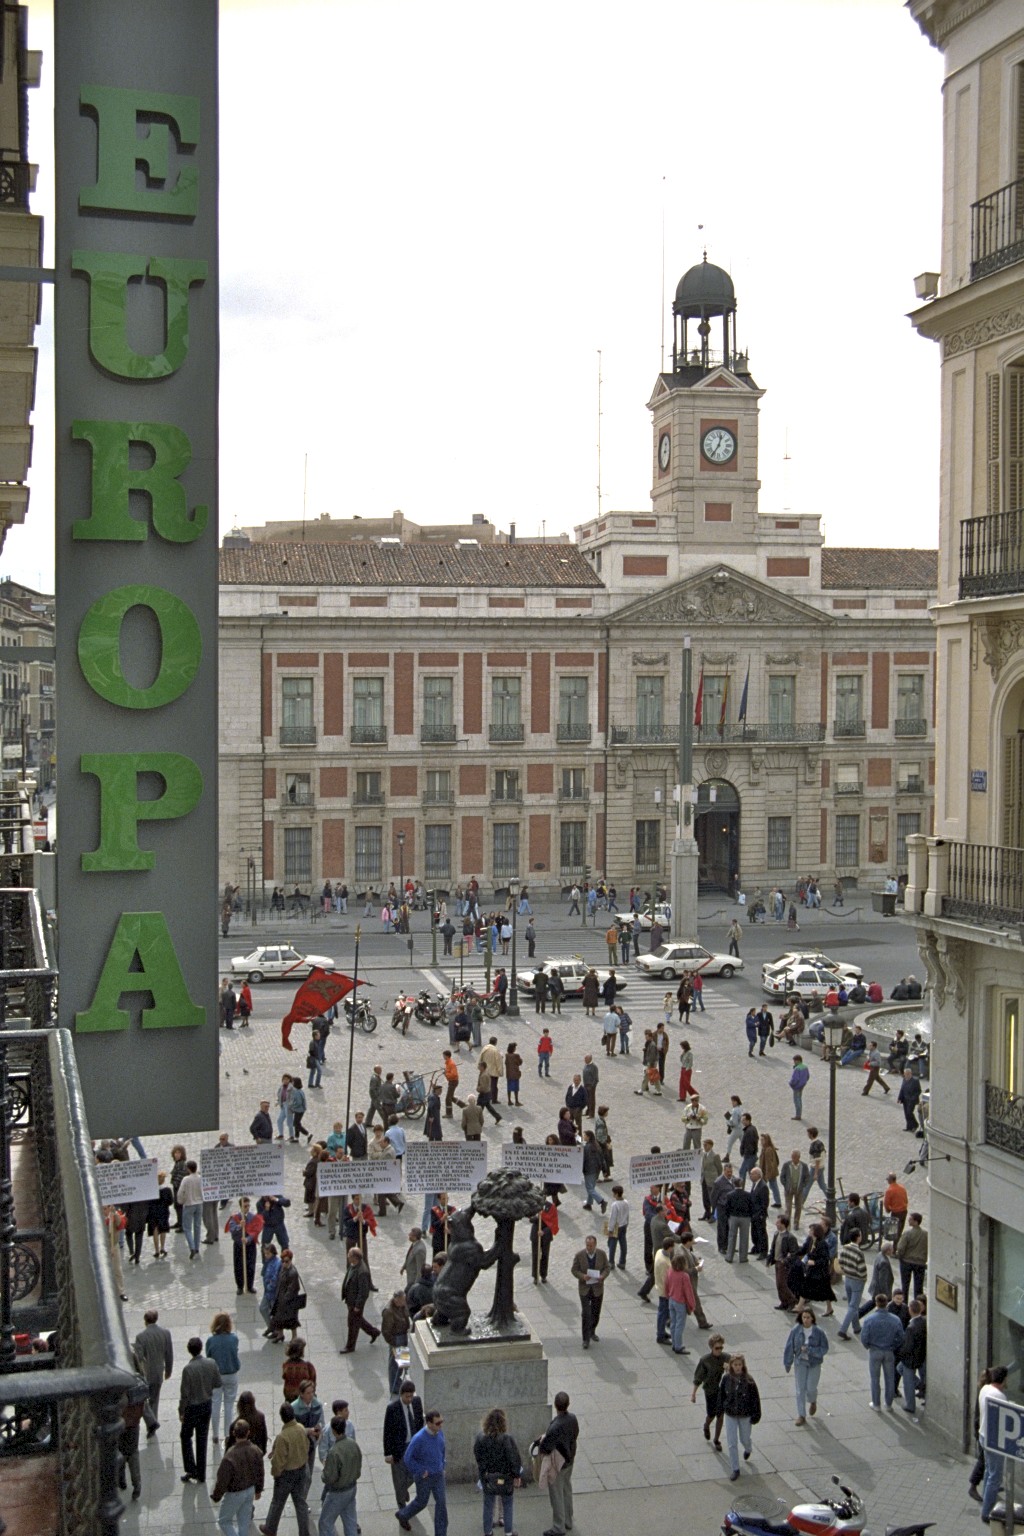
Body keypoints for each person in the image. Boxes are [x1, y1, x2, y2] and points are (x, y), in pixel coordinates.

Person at [262, 1402, 312, 1536]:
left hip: (286, 1475)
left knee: (277, 1502)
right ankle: (304, 1532)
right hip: (301, 1470)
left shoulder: (283, 1436)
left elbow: (279, 1461)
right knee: (300, 1504)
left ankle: (271, 1528)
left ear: (282, 1417)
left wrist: (275, 1474)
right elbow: (307, 1446)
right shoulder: (301, 1428)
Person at [396, 1407, 448, 1536]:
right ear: (429, 1424)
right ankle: (403, 1514)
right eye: (437, 1423)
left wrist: (443, 1465)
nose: (440, 1425)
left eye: (441, 1422)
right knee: (421, 1502)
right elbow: (408, 1458)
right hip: (424, 1477)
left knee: (441, 1504)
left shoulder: (439, 1433)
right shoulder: (419, 1438)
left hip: (438, 1475)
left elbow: (442, 1449)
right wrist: (419, 1470)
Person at [473, 1407, 523, 1536]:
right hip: (505, 1478)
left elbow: (478, 1456)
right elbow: (514, 1458)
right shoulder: (507, 1438)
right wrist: (516, 1475)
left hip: (488, 1477)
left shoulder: (480, 1438)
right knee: (507, 1504)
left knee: (488, 1505)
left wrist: (483, 1473)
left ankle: (488, 1532)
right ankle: (508, 1532)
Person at [211, 1417, 265, 1536]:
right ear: (248, 1433)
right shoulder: (255, 1450)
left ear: (234, 1433)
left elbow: (222, 1480)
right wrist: (259, 1490)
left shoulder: (230, 1455)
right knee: (244, 1522)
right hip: (250, 1489)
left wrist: (216, 1496)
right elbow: (260, 1472)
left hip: (235, 1493)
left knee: (224, 1521)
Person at [179, 1334, 221, 1484]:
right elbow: (218, 1382)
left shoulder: (188, 1369)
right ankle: (201, 1474)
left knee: (185, 1436)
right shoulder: (211, 1363)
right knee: (202, 1439)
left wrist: (181, 1411)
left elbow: (184, 1394)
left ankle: (191, 1469)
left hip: (192, 1408)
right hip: (206, 1405)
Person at [537, 1390, 578, 1536]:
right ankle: (568, 1520)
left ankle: (558, 1526)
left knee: (556, 1494)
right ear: (567, 1405)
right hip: (570, 1460)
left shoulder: (554, 1426)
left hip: (558, 1463)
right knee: (567, 1488)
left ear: (555, 1405)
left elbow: (545, 1448)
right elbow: (575, 1434)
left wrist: (543, 1439)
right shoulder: (572, 1418)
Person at [716, 1354, 761, 1482]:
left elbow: (755, 1399)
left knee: (744, 1438)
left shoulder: (749, 1380)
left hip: (745, 1415)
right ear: (731, 1366)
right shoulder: (726, 1379)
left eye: (739, 1365)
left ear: (743, 1365)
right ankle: (735, 1468)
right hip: (730, 1414)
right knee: (731, 1442)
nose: (737, 1367)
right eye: (735, 1365)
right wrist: (719, 1410)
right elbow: (722, 1395)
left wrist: (756, 1415)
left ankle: (748, 1448)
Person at [783, 1306, 830, 1425]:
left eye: (808, 1317)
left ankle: (813, 1401)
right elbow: (789, 1346)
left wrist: (810, 1350)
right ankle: (801, 1415)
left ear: (812, 1318)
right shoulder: (796, 1330)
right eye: (804, 1317)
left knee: (811, 1388)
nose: (806, 1320)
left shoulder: (818, 1332)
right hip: (800, 1362)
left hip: (814, 1363)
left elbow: (824, 1348)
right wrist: (787, 1362)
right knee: (800, 1389)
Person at [319, 1412, 362, 1536]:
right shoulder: (353, 1444)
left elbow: (329, 1477)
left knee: (325, 1523)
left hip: (338, 1492)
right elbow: (359, 1465)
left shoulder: (334, 1451)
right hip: (352, 1487)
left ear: (333, 1430)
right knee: (350, 1522)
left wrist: (324, 1471)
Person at [860, 1292, 905, 1411]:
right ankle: (889, 1404)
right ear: (886, 1304)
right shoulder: (895, 1320)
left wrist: (868, 1346)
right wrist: (893, 1346)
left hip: (875, 1350)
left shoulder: (869, 1319)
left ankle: (876, 1404)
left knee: (875, 1379)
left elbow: (864, 1337)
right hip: (889, 1351)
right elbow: (901, 1337)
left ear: (876, 1303)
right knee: (889, 1378)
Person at [383, 1379, 425, 1508]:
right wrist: (388, 1453)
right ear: (401, 1395)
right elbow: (387, 1432)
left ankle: (403, 1489)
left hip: (414, 1446)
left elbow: (420, 1424)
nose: (410, 1399)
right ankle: (401, 1506)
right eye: (407, 1396)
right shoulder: (392, 1408)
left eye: (411, 1396)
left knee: (415, 1474)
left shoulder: (417, 1402)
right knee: (399, 1478)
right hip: (399, 1448)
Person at [979, 1364, 1011, 1522]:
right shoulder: (1000, 1397)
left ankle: (985, 1503)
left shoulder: (985, 1389)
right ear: (1003, 1380)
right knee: (995, 1478)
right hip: (994, 1441)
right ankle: (986, 1513)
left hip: (983, 1436)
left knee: (988, 1472)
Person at [134, 1309, 173, 1437]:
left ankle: (151, 1422)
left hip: (146, 1373)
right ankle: (153, 1422)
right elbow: (169, 1354)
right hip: (158, 1372)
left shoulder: (141, 1337)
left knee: (143, 1399)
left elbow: (139, 1357)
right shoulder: (165, 1333)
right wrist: (168, 1370)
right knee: (155, 1398)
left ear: (145, 1321)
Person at [206, 1312, 242, 1444]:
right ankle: (227, 1433)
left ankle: (215, 1434)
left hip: (216, 1375)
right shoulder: (234, 1338)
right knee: (229, 1405)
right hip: (231, 1374)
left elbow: (208, 1356)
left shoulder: (211, 1340)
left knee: (215, 1404)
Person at [571, 1234, 609, 1349]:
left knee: (595, 1313)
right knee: (586, 1314)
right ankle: (585, 1338)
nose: (589, 1248)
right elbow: (574, 1270)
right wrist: (582, 1276)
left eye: (591, 1246)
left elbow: (607, 1267)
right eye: (587, 1245)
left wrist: (602, 1276)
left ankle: (592, 1331)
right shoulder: (579, 1255)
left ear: (595, 1245)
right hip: (585, 1289)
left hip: (597, 1288)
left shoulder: (601, 1254)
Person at [341, 1246, 380, 1352]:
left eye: (349, 1255)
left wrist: (358, 1306)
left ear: (355, 1258)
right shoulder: (353, 1265)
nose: (347, 1257)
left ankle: (350, 1346)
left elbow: (363, 1292)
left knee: (352, 1324)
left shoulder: (362, 1271)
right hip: (350, 1300)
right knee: (357, 1320)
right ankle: (374, 1332)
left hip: (355, 1303)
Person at [226, 1197, 264, 1296]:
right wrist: (240, 1226)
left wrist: (248, 1239)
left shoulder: (253, 1217)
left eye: (248, 1206)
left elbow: (256, 1231)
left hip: (250, 1246)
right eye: (245, 1206)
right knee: (238, 1266)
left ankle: (250, 1285)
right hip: (239, 1245)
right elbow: (232, 1229)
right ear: (241, 1206)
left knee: (250, 1266)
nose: (247, 1208)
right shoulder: (235, 1218)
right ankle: (240, 1286)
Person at [897, 1298, 927, 1416]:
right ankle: (920, 1385)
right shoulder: (924, 1322)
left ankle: (910, 1405)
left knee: (908, 1381)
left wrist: (901, 1354)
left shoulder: (911, 1327)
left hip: (911, 1358)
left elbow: (907, 1346)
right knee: (899, 1368)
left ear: (910, 1310)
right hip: (921, 1355)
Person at [836, 1230, 868, 1340]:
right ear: (858, 1237)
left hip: (848, 1278)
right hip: (857, 1280)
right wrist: (864, 1278)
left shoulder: (845, 1248)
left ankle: (856, 1327)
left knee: (851, 1304)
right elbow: (862, 1269)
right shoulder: (859, 1252)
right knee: (853, 1306)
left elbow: (841, 1263)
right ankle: (843, 1329)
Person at [268, 1249, 303, 1344]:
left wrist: (285, 1299)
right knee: (278, 1318)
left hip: (289, 1301)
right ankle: (280, 1335)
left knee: (292, 1320)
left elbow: (293, 1289)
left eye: (286, 1261)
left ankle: (294, 1337)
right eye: (283, 1261)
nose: (284, 1263)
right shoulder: (283, 1269)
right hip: (280, 1298)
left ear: (290, 1260)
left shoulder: (293, 1272)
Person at [896, 1212, 928, 1299]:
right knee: (918, 1287)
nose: (908, 1221)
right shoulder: (925, 1234)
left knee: (905, 1286)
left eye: (910, 1219)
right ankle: (919, 1306)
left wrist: (900, 1256)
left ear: (916, 1221)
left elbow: (901, 1248)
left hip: (906, 1261)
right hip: (920, 1263)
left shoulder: (907, 1233)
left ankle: (904, 1305)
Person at [606, 1185, 629, 1269]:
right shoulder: (626, 1202)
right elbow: (627, 1215)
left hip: (616, 1226)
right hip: (623, 1225)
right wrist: (627, 1224)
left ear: (616, 1194)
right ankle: (622, 1262)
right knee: (623, 1244)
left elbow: (613, 1218)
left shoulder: (615, 1205)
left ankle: (611, 1262)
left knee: (612, 1245)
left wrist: (610, 1229)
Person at [883, 1173, 909, 1242]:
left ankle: (895, 1248)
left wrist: (888, 1210)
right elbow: (906, 1200)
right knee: (900, 1230)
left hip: (896, 1213)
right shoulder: (902, 1188)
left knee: (895, 1232)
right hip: (904, 1211)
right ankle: (898, 1245)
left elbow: (886, 1204)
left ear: (890, 1180)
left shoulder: (889, 1190)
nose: (887, 1180)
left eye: (888, 1179)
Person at [897, 1067, 923, 1133]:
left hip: (912, 1100)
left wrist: (913, 1097)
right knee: (906, 1113)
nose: (906, 1075)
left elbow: (919, 1091)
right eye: (905, 1074)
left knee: (909, 1112)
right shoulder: (904, 1080)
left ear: (910, 1073)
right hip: (905, 1099)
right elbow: (902, 1089)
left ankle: (915, 1124)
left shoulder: (915, 1081)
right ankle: (909, 1127)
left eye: (908, 1074)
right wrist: (899, 1098)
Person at [789, 1056, 810, 1120]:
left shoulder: (797, 1069)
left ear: (798, 1061)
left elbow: (795, 1079)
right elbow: (808, 1076)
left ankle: (798, 1115)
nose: (794, 1062)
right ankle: (799, 1114)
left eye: (794, 1061)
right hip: (802, 1085)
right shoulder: (805, 1067)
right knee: (799, 1099)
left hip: (796, 1087)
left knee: (797, 1100)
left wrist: (791, 1083)